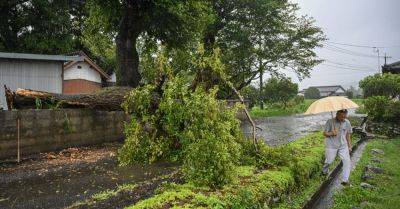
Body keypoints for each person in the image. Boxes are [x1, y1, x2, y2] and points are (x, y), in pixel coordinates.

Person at [322, 109, 352, 185]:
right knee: (329, 160)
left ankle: (345, 180)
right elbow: (325, 133)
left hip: (343, 145)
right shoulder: (330, 121)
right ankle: (324, 171)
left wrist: (349, 146)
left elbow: (348, 135)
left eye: (345, 117)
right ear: (337, 114)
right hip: (331, 145)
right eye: (342, 117)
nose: (343, 118)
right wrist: (332, 133)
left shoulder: (347, 122)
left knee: (347, 161)